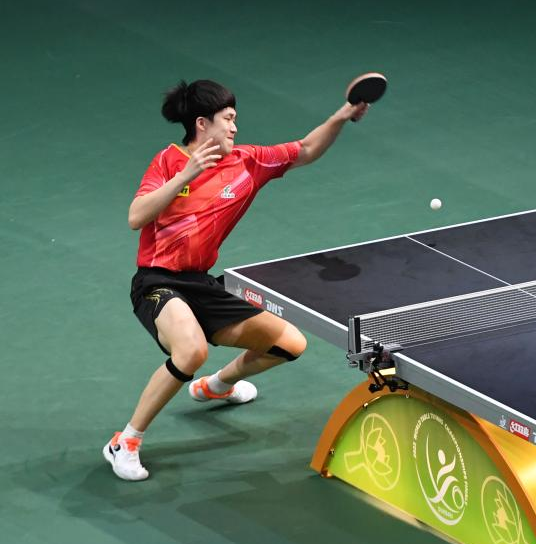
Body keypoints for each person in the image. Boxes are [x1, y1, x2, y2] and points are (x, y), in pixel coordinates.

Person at [103, 79, 371, 481]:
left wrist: (342, 116)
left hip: (201, 283)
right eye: (227, 119)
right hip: (157, 282)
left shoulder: (247, 162)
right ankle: (125, 442)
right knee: (190, 351)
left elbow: (306, 149)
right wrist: (186, 175)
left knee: (290, 344)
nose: (234, 127)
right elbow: (136, 216)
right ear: (201, 124)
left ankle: (217, 386)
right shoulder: (169, 161)